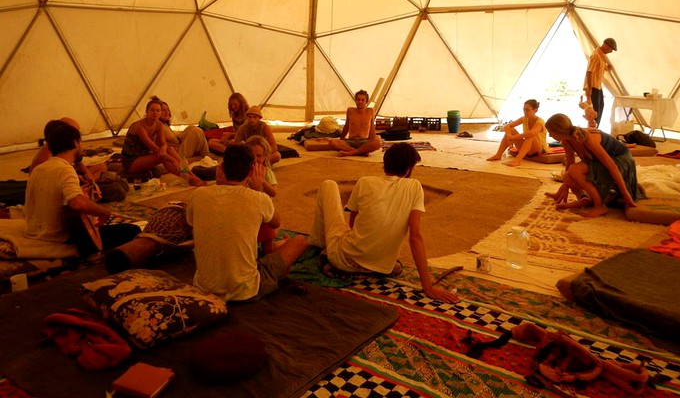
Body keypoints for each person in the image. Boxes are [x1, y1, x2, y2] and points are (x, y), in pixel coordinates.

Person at [310, 142, 459, 304]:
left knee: (328, 185)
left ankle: (317, 243)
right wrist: (427, 287)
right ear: (409, 169)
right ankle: (356, 262)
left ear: (385, 163)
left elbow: (353, 224)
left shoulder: (365, 182)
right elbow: (415, 237)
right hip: (382, 267)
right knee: (384, 257)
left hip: (344, 259)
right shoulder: (415, 187)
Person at [187, 144, 308, 302]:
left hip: (204, 287)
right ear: (251, 171)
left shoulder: (198, 195)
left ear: (221, 167)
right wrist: (257, 190)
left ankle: (276, 248)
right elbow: (275, 223)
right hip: (246, 290)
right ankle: (279, 248)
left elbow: (195, 224)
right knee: (299, 241)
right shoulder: (258, 198)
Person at [24, 122, 139, 252]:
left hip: (33, 232)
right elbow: (77, 203)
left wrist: (86, 192)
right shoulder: (65, 169)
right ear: (75, 142)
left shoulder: (38, 169)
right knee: (132, 230)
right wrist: (103, 212)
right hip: (58, 237)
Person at [544, 113, 640, 218]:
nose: (549, 135)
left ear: (559, 131)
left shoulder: (587, 137)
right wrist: (562, 190)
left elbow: (611, 165)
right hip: (602, 164)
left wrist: (625, 193)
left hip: (621, 161)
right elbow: (569, 165)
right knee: (568, 175)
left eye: (550, 132)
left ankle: (600, 206)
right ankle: (585, 198)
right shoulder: (566, 141)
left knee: (575, 170)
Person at [121, 97, 204, 186]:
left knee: (170, 150)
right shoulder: (139, 126)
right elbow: (152, 146)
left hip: (145, 156)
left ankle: (191, 175)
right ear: (147, 111)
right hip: (131, 160)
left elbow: (163, 143)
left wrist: (164, 149)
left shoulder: (159, 124)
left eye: (158, 111)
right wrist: (172, 159)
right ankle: (188, 178)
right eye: (152, 110)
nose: (155, 113)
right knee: (162, 157)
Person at [30, 118, 106, 185]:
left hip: (66, 176)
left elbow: (78, 163)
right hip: (54, 183)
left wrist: (87, 174)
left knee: (101, 166)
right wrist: (76, 178)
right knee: (113, 189)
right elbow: (56, 177)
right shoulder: (52, 151)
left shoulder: (62, 146)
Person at [487, 99, 548, 166]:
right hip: (527, 148)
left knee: (530, 135)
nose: (525, 112)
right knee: (511, 130)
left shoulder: (540, 122)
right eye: (524, 109)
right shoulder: (524, 118)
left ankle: (517, 160)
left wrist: (513, 137)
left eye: (527, 110)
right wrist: (509, 137)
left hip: (538, 150)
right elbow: (507, 126)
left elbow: (531, 133)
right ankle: (498, 155)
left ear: (535, 110)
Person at [328, 90, 381, 157]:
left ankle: (350, 153)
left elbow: (372, 128)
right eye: (358, 99)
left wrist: (372, 141)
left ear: (366, 102)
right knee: (333, 142)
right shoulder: (350, 110)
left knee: (378, 142)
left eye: (362, 100)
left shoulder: (370, 111)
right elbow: (346, 127)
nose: (360, 102)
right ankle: (361, 152)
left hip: (364, 141)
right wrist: (341, 140)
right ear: (355, 100)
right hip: (351, 141)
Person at [584, 37, 617, 127]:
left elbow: (598, 69)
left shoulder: (601, 56)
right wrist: (589, 89)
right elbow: (589, 71)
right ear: (606, 46)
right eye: (611, 49)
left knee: (600, 107)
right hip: (593, 87)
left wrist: (607, 68)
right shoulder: (596, 55)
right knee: (594, 111)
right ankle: (593, 129)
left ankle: (595, 128)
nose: (610, 52)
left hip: (598, 86)